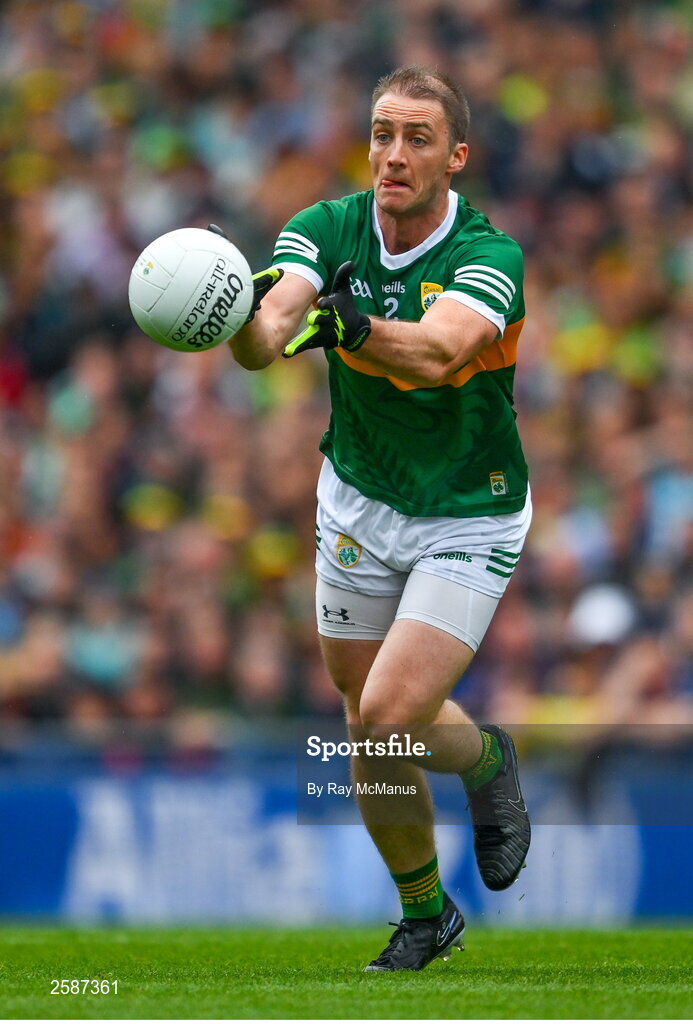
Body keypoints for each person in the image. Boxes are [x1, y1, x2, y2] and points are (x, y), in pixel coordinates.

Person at [225, 65, 531, 972]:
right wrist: (225, 307)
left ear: (455, 157)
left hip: (466, 512)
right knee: (365, 714)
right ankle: (428, 908)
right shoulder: (326, 226)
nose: (393, 155)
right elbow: (269, 333)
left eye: (417, 138)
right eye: (382, 134)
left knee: (389, 715)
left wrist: (350, 330)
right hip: (358, 496)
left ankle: (478, 780)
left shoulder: (489, 253)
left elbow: (438, 354)